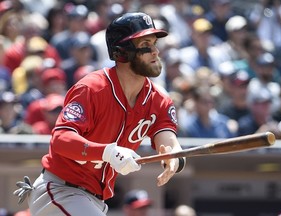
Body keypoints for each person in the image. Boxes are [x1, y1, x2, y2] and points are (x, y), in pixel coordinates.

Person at [14, 12, 186, 216]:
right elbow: (60, 139)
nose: (155, 51)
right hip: (60, 190)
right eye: (145, 44)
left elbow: (168, 140)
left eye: (155, 43)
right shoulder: (92, 88)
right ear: (122, 52)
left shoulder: (158, 99)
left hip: (95, 200)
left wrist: (174, 158)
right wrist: (108, 152)